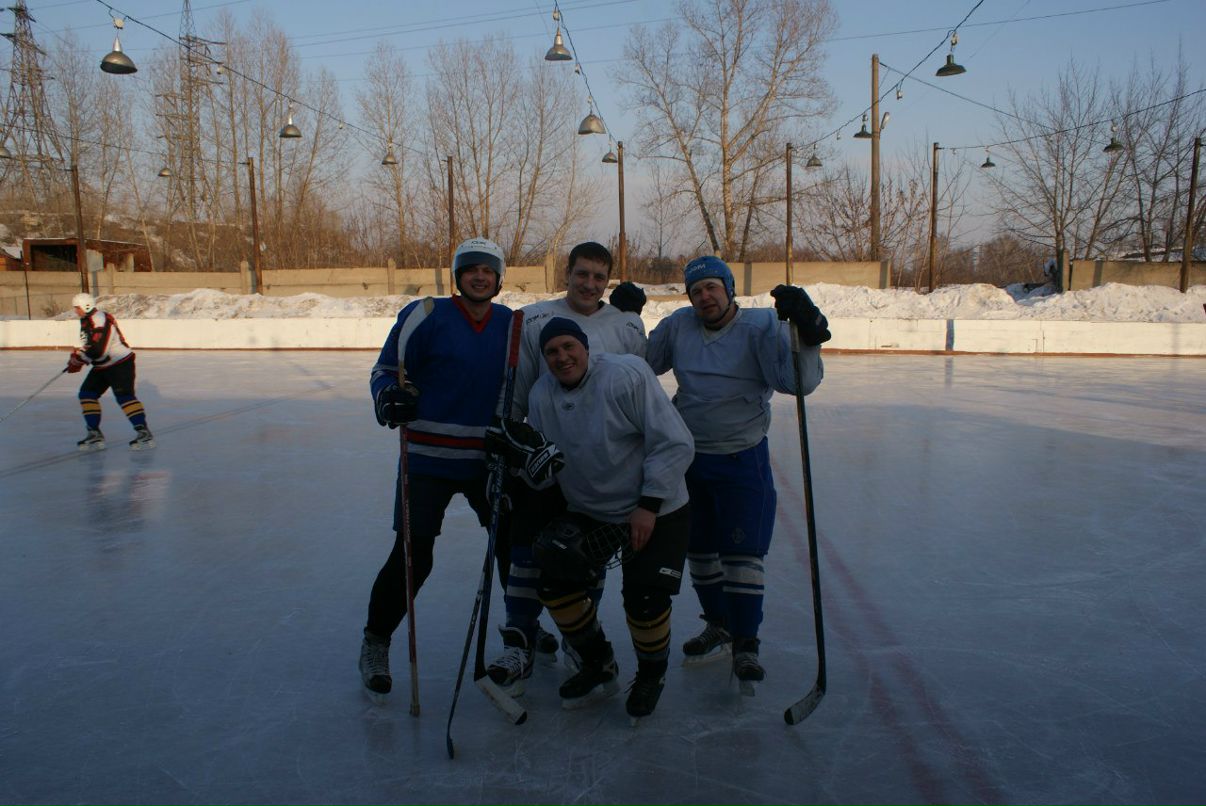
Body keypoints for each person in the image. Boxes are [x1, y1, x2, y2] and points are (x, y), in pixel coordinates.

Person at [488, 317, 694, 720]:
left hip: (657, 504)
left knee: (645, 600)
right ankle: (599, 664)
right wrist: (516, 462)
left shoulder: (625, 375)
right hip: (592, 509)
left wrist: (648, 505)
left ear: (585, 347)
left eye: (569, 347)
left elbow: (674, 442)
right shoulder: (542, 395)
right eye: (552, 351)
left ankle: (652, 674)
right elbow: (547, 465)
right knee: (556, 585)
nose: (562, 357)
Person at [645, 256, 829, 689]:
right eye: (695, 291)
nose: (704, 296)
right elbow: (645, 362)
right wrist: (624, 317)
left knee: (742, 555)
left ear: (728, 289)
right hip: (689, 457)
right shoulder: (678, 326)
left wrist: (806, 334)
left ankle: (746, 642)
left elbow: (794, 383)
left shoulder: (762, 325)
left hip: (740, 458)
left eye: (711, 287)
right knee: (701, 552)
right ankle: (719, 625)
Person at [485, 242, 648, 694]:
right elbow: (517, 391)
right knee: (525, 551)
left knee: (582, 555)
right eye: (582, 274)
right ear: (567, 273)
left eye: (599, 277)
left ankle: (583, 642)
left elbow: (640, 390)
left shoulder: (626, 325)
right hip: (540, 463)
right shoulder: (534, 317)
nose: (590, 284)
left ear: (608, 280)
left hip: (598, 467)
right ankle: (519, 640)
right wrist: (510, 447)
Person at [358, 237, 517, 699]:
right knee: (413, 556)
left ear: (500, 278)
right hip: (426, 459)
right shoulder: (425, 314)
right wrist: (389, 399)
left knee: (510, 545)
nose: (480, 276)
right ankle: (375, 641)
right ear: (457, 275)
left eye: (488, 270)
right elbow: (384, 371)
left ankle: (523, 632)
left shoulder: (511, 323)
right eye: (471, 269)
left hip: (486, 458)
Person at [66, 292, 154, 451]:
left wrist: (81, 360)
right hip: (102, 366)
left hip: (120, 363)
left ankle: (143, 432)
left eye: (77, 308)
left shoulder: (101, 319)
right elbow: (89, 345)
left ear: (86, 306)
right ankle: (94, 433)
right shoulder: (85, 321)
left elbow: (100, 349)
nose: (76, 311)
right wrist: (77, 356)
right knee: (87, 394)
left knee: (124, 397)